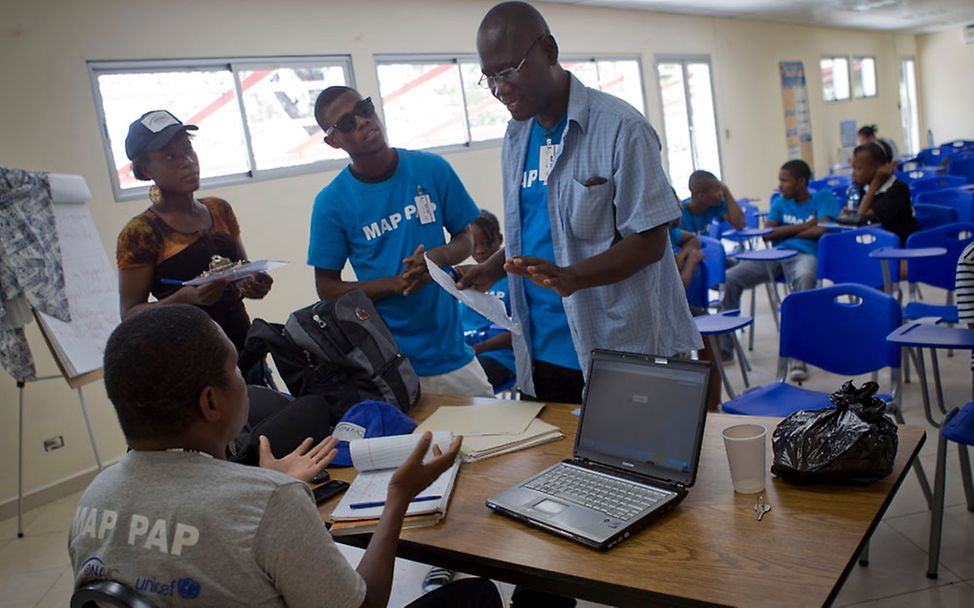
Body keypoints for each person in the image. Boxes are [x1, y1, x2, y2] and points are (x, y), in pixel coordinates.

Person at [68, 305, 502, 608]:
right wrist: (397, 498)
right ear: (211, 404)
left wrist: (266, 483)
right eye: (236, 368)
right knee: (476, 595)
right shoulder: (271, 503)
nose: (243, 377)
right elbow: (363, 604)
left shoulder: (93, 499)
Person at [461, 1, 701, 406]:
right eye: (489, 77)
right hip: (538, 348)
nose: (500, 88)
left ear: (549, 51)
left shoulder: (622, 128)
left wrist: (573, 277)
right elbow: (533, 227)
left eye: (508, 70)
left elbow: (650, 241)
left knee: (629, 463)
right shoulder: (517, 136)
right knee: (556, 468)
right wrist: (489, 269)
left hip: (614, 342)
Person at [308, 86, 493, 398]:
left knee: (497, 439)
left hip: (452, 354)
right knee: (419, 448)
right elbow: (326, 289)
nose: (364, 121)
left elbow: (466, 237)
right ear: (333, 141)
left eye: (364, 108)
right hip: (390, 365)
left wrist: (437, 257)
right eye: (347, 122)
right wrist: (394, 284)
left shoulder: (431, 169)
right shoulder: (331, 203)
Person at [116, 110, 273, 359]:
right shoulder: (141, 233)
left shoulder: (219, 209)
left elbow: (241, 272)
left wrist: (251, 283)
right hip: (191, 364)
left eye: (188, 149)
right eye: (170, 156)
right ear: (145, 169)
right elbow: (130, 314)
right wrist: (184, 299)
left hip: (245, 351)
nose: (187, 161)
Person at [720, 159, 840, 381]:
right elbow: (767, 234)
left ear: (801, 181)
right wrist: (804, 226)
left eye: (785, 180)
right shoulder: (780, 201)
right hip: (775, 257)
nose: (780, 185)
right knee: (731, 277)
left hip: (805, 255)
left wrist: (785, 232)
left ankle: (799, 355)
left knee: (804, 280)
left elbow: (821, 230)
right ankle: (726, 348)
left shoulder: (823, 198)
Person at [462, 210, 516, 392]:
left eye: (486, 243)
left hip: (498, 356)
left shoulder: (514, 280)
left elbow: (519, 332)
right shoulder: (463, 280)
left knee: (465, 388)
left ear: (500, 239)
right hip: (464, 355)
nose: (480, 250)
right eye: (474, 245)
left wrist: (479, 348)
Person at [846, 141, 919, 245]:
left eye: (858, 168)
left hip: (902, 247)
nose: (853, 173)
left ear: (878, 167)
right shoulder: (865, 187)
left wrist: (876, 183)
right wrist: (849, 214)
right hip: (876, 244)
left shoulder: (898, 189)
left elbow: (861, 216)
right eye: (852, 168)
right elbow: (860, 216)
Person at [679, 170, 745, 236]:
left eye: (721, 189)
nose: (721, 193)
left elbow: (739, 224)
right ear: (702, 196)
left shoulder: (714, 205)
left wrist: (727, 192)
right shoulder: (679, 213)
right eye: (717, 190)